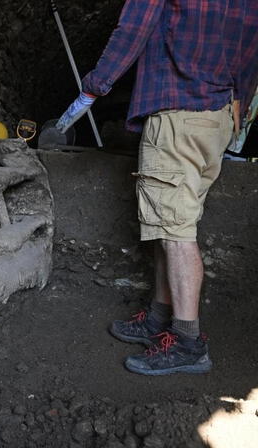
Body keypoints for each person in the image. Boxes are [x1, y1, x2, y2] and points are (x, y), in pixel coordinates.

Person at [56, 0, 256, 375]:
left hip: (177, 111)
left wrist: (94, 87)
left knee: (175, 232)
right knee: (174, 224)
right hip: (216, 116)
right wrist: (237, 110)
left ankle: (188, 342)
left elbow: (133, 29)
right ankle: (159, 317)